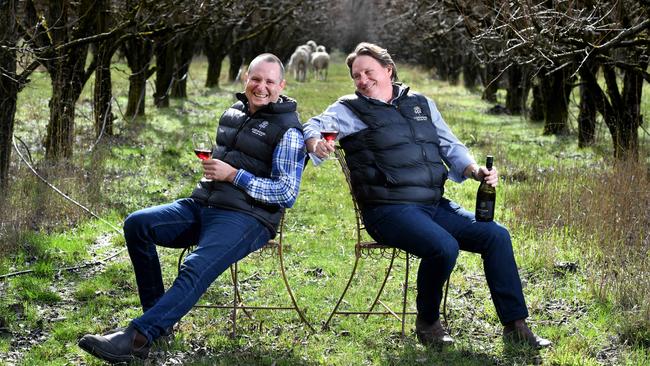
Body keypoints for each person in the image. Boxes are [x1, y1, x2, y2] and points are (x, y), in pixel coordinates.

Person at [303, 42, 551, 349]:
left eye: (368, 72)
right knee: (443, 247)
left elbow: (450, 145)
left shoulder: (420, 104)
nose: (362, 80)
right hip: (388, 210)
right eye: (356, 76)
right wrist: (317, 143)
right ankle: (428, 321)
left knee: (496, 235)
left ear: (388, 70)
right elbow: (314, 126)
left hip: (433, 204)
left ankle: (516, 326)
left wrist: (475, 171)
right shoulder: (348, 109)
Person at [78, 53, 306, 363]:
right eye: (256, 78)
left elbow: (286, 193)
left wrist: (234, 175)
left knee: (195, 265)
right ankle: (160, 320)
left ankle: (137, 338)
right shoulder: (232, 114)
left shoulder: (289, 130)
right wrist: (215, 172)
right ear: (245, 79)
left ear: (282, 85)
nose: (261, 86)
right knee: (137, 224)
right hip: (204, 204)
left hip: (249, 217)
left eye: (269, 81)